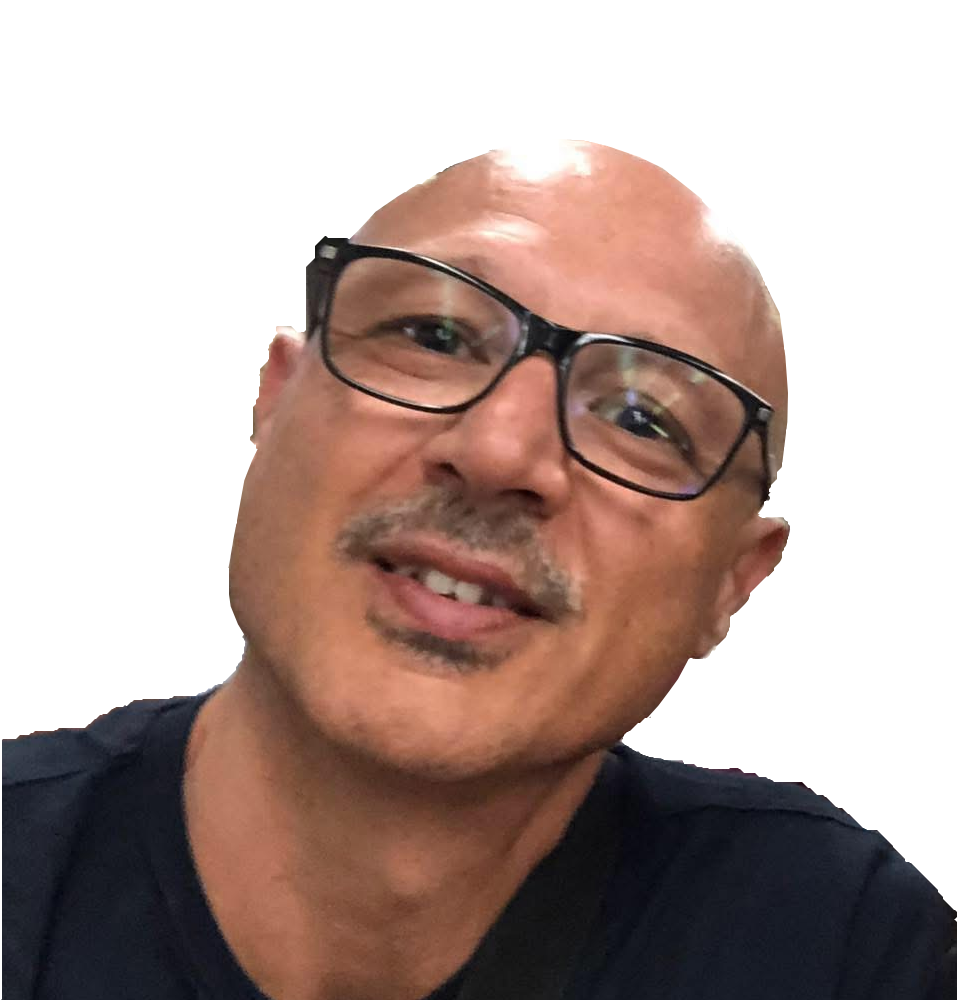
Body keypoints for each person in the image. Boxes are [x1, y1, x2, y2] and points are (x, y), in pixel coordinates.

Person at [4, 141, 954, 1000]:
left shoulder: (844, 949)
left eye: (641, 420)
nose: (500, 452)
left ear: (731, 587)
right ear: (276, 398)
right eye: (435, 337)